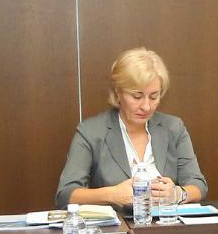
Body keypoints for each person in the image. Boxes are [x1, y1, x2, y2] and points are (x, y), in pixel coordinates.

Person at [55, 47, 209, 210]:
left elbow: (198, 185)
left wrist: (178, 194)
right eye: (137, 96)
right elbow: (65, 194)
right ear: (118, 92)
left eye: (154, 96)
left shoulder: (173, 127)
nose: (146, 106)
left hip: (166, 222)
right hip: (119, 224)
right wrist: (112, 194)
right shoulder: (91, 131)